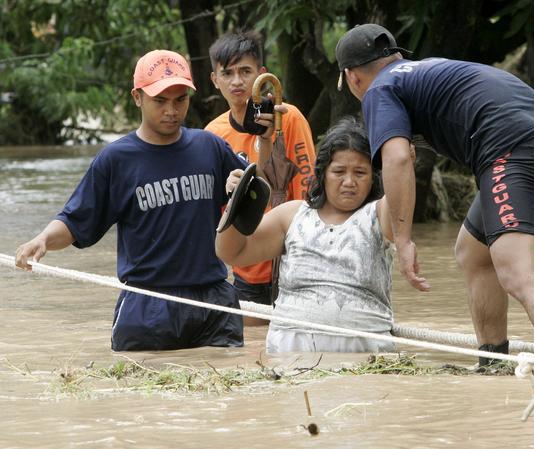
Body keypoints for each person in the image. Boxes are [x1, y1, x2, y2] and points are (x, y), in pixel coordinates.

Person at [334, 23, 534, 367]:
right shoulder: (421, 71)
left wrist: (403, 240)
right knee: (473, 251)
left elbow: (397, 158)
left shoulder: (381, 89)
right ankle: (492, 362)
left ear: (351, 78)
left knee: (519, 272)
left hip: (511, 151)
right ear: (393, 56)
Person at [14, 49, 280, 352]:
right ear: (137, 97)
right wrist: (43, 240)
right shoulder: (116, 160)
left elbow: (256, 195)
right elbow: (76, 221)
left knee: (226, 389)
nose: (171, 110)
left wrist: (264, 145)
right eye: (160, 101)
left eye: (180, 99)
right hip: (148, 305)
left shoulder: (209, 146)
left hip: (213, 302)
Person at [216, 117, 395, 353]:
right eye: (339, 171)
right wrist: (237, 202)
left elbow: (400, 181)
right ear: (322, 173)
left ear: (374, 177)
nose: (349, 182)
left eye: (360, 172)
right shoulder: (292, 215)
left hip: (367, 355)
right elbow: (231, 252)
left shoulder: (383, 214)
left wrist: (400, 158)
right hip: (290, 355)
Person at [205, 30, 316, 325]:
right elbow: (214, 214)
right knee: (252, 354)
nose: (237, 81)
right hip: (247, 268)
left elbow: (308, 187)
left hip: (296, 263)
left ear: (261, 75)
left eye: (245, 71)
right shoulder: (212, 135)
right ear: (214, 80)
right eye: (227, 73)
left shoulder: (287, 118)